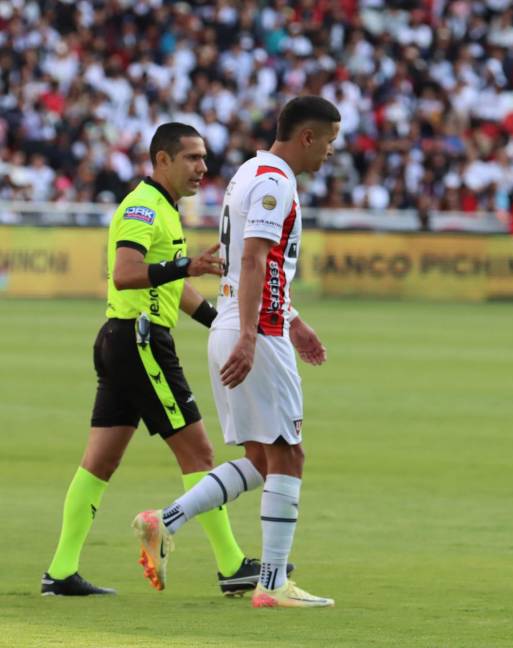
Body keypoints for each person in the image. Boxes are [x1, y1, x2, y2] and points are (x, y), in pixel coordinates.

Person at [41, 122, 269, 597]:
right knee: (201, 455)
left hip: (122, 339)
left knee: (99, 463)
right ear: (161, 160)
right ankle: (231, 566)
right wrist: (187, 264)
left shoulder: (163, 208)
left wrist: (220, 323)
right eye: (192, 158)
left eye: (204, 158)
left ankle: (61, 571)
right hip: (140, 341)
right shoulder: (144, 207)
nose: (202, 168)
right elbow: (127, 274)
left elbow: (169, 283)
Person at [133, 96, 340, 608]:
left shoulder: (249, 172)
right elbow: (251, 260)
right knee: (289, 452)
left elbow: (254, 267)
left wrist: (293, 321)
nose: (331, 154)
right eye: (329, 142)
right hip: (253, 329)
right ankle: (272, 584)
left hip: (239, 321)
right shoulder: (275, 181)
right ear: (307, 137)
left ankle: (166, 521)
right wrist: (255, 333)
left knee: (260, 456)